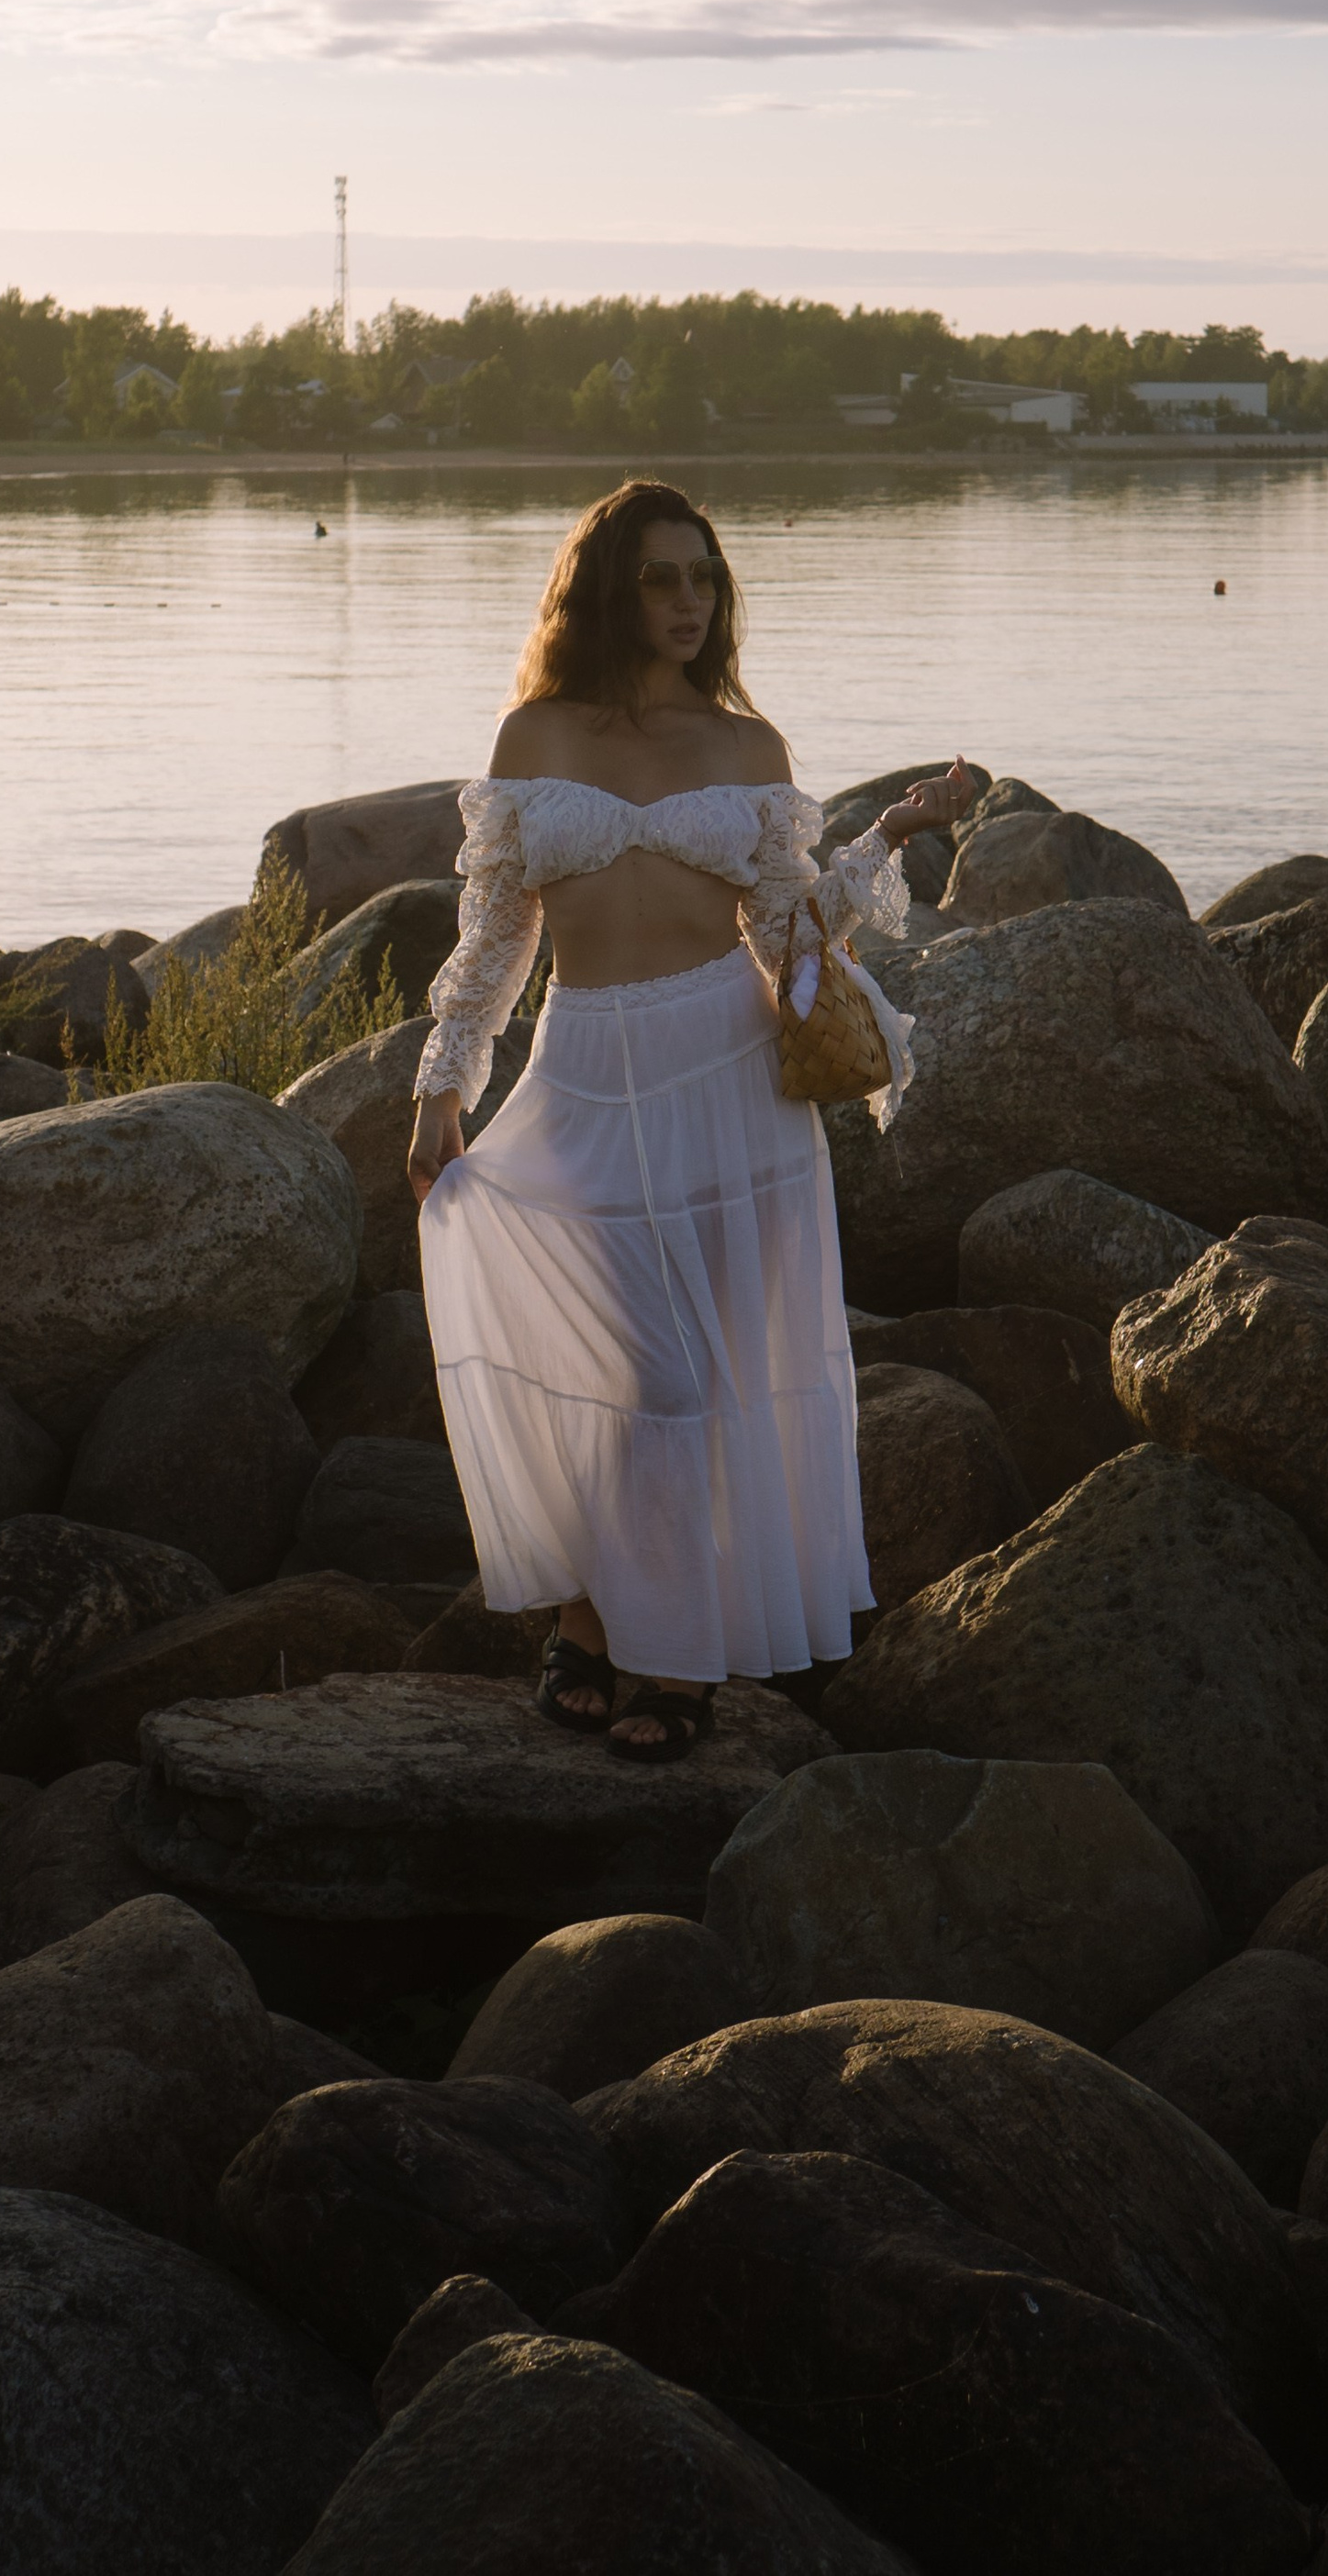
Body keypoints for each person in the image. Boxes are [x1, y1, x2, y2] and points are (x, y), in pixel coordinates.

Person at [407, 479, 971, 1763]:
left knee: (698, 1379)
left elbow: (785, 930)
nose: (685, 603)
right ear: (607, 590)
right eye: (660, 579)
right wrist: (445, 1082)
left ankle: (653, 1651)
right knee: (633, 1371)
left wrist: (885, 835)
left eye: (702, 580)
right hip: (589, 1069)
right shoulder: (534, 738)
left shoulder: (747, 750)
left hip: (728, 1075)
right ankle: (597, 1616)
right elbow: (495, 938)